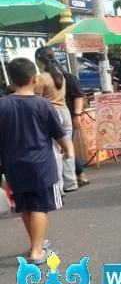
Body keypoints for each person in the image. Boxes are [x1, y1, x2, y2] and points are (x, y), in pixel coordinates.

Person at [0, 58, 70, 265]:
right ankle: (38, 252)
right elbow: (58, 134)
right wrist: (67, 150)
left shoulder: (2, 104)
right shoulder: (42, 104)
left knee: (25, 207)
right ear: (34, 79)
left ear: (11, 79)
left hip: (13, 165)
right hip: (40, 165)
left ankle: (36, 243)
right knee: (40, 206)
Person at [34, 47, 77, 194]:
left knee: (55, 151)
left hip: (51, 114)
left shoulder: (41, 78)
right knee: (67, 147)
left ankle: (58, 188)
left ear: (38, 60)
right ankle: (71, 182)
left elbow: (38, 101)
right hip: (65, 112)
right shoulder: (60, 75)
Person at [63, 70, 90, 187]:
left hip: (67, 117)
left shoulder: (68, 78)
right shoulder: (64, 77)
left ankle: (79, 175)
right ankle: (79, 175)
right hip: (66, 116)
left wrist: (77, 115)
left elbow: (79, 96)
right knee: (65, 147)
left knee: (64, 147)